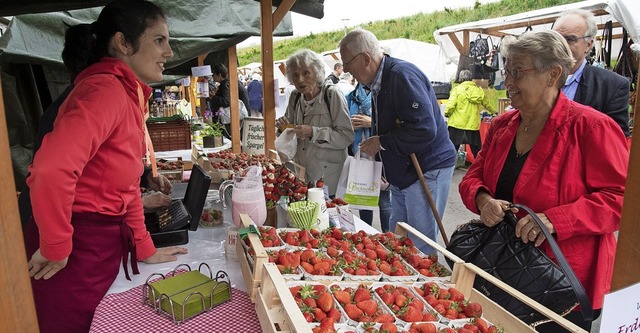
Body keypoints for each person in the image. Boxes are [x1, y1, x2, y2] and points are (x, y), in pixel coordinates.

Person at [23, 1, 188, 332]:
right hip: (74, 251)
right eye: (159, 40)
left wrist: (144, 246)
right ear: (123, 43)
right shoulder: (105, 90)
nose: (169, 52)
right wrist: (56, 246)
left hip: (96, 248)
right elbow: (51, 170)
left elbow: (125, 186)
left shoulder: (125, 94)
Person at [458, 30, 628, 332]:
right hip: (500, 266)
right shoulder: (502, 125)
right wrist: (483, 200)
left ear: (553, 75)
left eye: (517, 73)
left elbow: (621, 198)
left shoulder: (592, 127)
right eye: (506, 72)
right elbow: (473, 176)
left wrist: (554, 220)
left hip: (558, 281)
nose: (507, 83)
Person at [339, 28, 456, 254]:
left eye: (347, 64)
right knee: (398, 240)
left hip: (426, 168)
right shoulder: (377, 80)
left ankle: (424, 286)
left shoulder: (402, 76)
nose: (345, 70)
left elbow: (424, 129)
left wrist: (381, 142)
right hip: (404, 173)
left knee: (419, 243)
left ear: (365, 58)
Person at [275, 49, 354, 196]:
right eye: (295, 75)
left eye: (306, 73)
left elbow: (346, 136)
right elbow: (289, 131)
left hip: (328, 176)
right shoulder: (295, 96)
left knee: (327, 215)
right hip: (301, 175)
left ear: (317, 72)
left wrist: (313, 132)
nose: (300, 80)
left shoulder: (332, 94)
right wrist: (282, 128)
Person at [553, 9, 630, 136]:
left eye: (569, 39)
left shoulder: (612, 85)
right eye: (556, 38)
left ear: (588, 45)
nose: (560, 45)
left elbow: (615, 137)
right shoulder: (535, 77)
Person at [346, 82, 392, 232]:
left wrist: (371, 123)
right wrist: (350, 127)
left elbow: (393, 125)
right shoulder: (351, 98)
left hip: (382, 154)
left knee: (384, 200)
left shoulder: (384, 96)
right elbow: (343, 123)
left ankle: (388, 235)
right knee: (363, 197)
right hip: (359, 152)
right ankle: (366, 233)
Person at [445, 69, 495, 158]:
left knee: (451, 150)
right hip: (472, 125)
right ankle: (481, 169)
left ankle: (449, 169)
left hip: (457, 124)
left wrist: (447, 113)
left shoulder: (457, 90)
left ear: (460, 79)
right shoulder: (479, 91)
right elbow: (487, 104)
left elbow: (451, 104)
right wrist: (495, 112)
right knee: (477, 151)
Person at [209, 63, 250, 138]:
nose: (212, 76)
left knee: (233, 138)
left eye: (214, 74)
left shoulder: (226, 84)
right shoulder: (229, 82)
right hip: (236, 117)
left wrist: (213, 97)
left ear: (220, 75)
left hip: (233, 118)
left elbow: (227, 101)